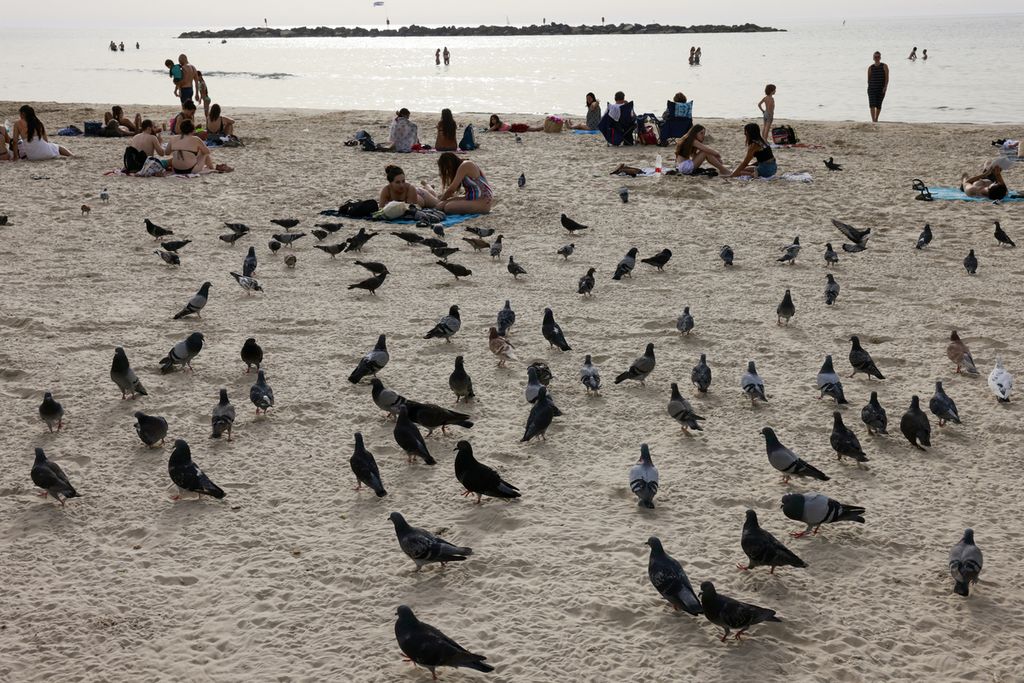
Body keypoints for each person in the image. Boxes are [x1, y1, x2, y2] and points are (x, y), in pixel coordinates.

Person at [419, 152, 492, 214]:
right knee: (441, 206)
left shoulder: (465, 165)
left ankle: (428, 188)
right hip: (472, 198)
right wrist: (442, 202)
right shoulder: (464, 165)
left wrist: (441, 200)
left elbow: (451, 189)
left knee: (448, 207)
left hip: (483, 201)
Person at [165, 120, 230, 174]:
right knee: (204, 153)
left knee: (181, 153)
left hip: (176, 170)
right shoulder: (195, 139)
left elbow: (167, 153)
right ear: (193, 130)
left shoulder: (173, 138)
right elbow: (207, 151)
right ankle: (212, 168)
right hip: (191, 170)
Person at [867, 51, 889, 123]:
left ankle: (876, 119)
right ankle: (873, 120)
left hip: (881, 89)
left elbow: (887, 78)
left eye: (878, 57)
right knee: (872, 105)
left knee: (879, 105)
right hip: (872, 89)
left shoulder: (884, 66)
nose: (877, 58)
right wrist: (869, 88)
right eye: (875, 57)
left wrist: (885, 87)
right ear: (873, 58)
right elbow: (869, 79)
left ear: (880, 58)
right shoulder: (870, 68)